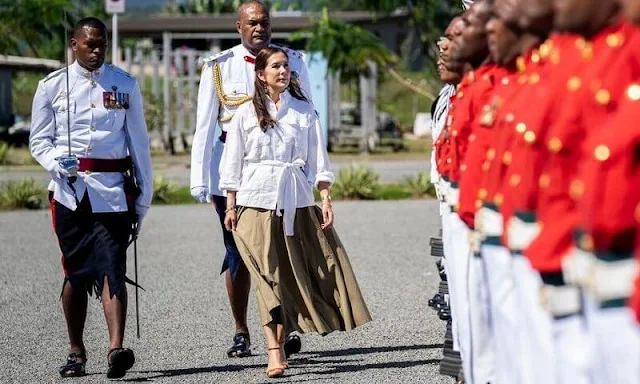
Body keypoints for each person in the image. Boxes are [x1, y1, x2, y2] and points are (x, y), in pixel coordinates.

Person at [219, 46, 371, 379]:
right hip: (255, 202)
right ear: (261, 74)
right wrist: (230, 205)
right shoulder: (244, 114)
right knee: (266, 276)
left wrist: (326, 198)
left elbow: (319, 160)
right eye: (275, 66)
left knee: (300, 272)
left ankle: (292, 332)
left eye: (286, 66)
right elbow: (231, 163)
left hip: (297, 202)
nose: (283, 71)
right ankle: (274, 351)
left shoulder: (304, 111)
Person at [29, 17, 152, 379]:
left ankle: (116, 350)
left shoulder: (124, 84)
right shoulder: (52, 86)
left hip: (113, 190)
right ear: (74, 44)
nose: (97, 50)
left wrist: (144, 195)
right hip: (70, 192)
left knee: (114, 266)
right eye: (90, 45)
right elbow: (39, 140)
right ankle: (76, 350)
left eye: (102, 44)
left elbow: (139, 144)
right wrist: (56, 165)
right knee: (77, 272)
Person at [189, 0, 312, 358]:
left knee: (284, 250)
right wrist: (199, 177)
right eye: (252, 23)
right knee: (239, 253)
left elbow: (309, 116)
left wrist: (308, 169)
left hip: (281, 171)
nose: (259, 28)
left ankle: (284, 324)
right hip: (231, 171)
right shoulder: (219, 66)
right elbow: (204, 126)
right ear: (238, 27)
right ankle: (242, 329)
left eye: (264, 22)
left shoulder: (292, 61)